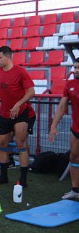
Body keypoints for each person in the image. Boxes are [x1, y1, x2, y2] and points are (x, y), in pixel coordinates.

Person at [0, 46, 35, 187]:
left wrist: (18, 104)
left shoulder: (20, 71)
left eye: (0, 58)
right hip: (4, 113)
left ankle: (23, 179)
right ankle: (3, 176)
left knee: (21, 144)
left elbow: (31, 92)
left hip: (21, 113)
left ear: (8, 57)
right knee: (2, 144)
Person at [49, 58, 79, 199]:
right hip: (76, 129)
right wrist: (53, 126)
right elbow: (62, 106)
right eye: (75, 67)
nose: (76, 70)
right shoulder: (70, 84)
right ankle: (75, 190)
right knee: (73, 156)